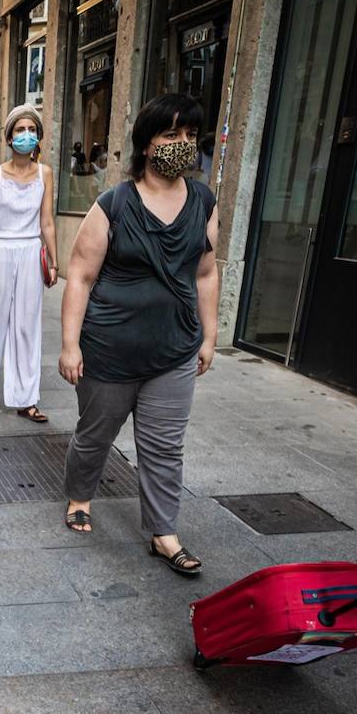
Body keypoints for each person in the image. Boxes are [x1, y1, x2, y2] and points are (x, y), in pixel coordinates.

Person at [59, 93, 220, 576]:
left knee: (165, 445)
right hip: (109, 349)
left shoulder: (204, 202)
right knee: (95, 435)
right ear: (147, 143)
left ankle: (163, 533)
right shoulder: (114, 204)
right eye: (172, 134)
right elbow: (81, 276)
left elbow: (206, 272)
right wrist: (70, 345)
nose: (183, 144)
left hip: (174, 348)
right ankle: (79, 496)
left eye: (190, 135)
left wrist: (209, 336)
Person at [0, 105, 58, 417]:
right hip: (0, 249)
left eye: (31, 129)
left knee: (27, 324)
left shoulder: (45, 173)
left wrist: (54, 261)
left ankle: (26, 398)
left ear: (39, 136)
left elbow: (47, 222)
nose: (26, 135)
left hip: (31, 250)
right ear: (9, 137)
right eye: (20, 130)